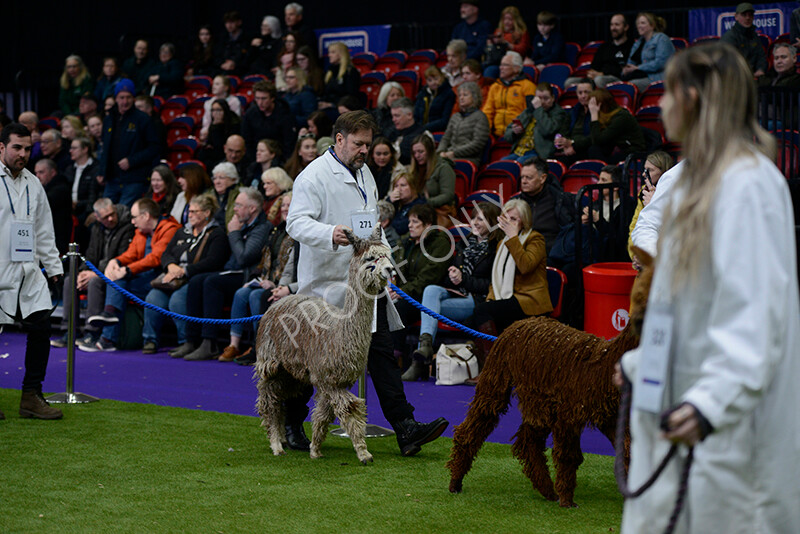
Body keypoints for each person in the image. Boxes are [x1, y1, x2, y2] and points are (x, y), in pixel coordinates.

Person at [618, 41, 800, 534]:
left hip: (724, 435)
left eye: (669, 92)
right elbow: (681, 304)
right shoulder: (692, 178)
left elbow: (756, 314)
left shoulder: (749, 184)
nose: (659, 104)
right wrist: (642, 367)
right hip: (682, 415)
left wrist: (711, 401)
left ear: (694, 98)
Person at [286, 110, 449, 456]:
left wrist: (385, 262)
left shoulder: (366, 175)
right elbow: (295, 224)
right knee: (313, 362)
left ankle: (405, 428)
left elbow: (372, 227)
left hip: (364, 284)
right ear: (339, 139)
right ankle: (290, 422)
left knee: (381, 353)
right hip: (325, 287)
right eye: (359, 144)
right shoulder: (312, 177)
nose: (365, 150)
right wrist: (330, 233)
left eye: (368, 144)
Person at [0, 123, 64, 419]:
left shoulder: (33, 183)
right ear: (1, 147)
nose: (23, 154)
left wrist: (54, 268)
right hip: (0, 269)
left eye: (27, 148)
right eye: (17, 147)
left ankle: (31, 395)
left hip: (29, 270)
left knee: (41, 328)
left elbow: (44, 230)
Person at [402, 202, 502, 381]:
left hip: (477, 299)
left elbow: (491, 285)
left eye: (481, 219)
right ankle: (425, 347)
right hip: (457, 292)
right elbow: (448, 279)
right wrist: (454, 276)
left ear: (492, 222)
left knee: (428, 308)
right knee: (431, 290)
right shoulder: (465, 244)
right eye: (473, 218)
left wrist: (464, 280)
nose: (475, 222)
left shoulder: (496, 248)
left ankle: (419, 363)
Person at [176, 187, 271, 361]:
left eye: (239, 205)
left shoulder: (262, 228)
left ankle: (210, 342)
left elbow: (244, 257)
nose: (234, 209)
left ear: (252, 209)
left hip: (248, 276)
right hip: (233, 271)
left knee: (212, 282)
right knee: (197, 280)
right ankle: (192, 340)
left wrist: (233, 232)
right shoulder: (244, 225)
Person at [83, 198, 180, 352]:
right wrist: (116, 261)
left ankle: (108, 334)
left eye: (134, 217)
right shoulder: (141, 232)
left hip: (160, 279)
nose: (132, 221)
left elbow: (156, 258)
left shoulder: (170, 229)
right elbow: (131, 253)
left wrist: (128, 270)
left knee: (119, 279)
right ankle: (108, 321)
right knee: (116, 279)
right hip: (142, 278)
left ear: (146, 216)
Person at [142, 193, 230, 354]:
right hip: (172, 276)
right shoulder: (182, 232)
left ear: (207, 213)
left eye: (195, 212)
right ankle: (150, 340)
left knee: (177, 300)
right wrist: (171, 266)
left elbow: (214, 261)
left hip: (193, 278)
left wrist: (184, 271)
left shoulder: (217, 234)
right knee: (153, 298)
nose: (190, 215)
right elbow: (166, 254)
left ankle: (187, 341)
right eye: (189, 211)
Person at [219, 191, 294, 363]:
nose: (284, 208)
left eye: (289, 205)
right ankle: (234, 344)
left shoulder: (296, 233)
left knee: (255, 296)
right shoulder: (277, 230)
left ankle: (258, 345)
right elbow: (263, 259)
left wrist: (275, 283)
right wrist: (257, 278)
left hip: (285, 283)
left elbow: (292, 268)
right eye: (282, 205)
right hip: (266, 278)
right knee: (241, 293)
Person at [51, 198, 134, 349]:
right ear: (97, 218)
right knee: (71, 281)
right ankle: (70, 332)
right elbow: (90, 255)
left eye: (112, 214)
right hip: (97, 271)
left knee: (95, 282)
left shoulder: (127, 227)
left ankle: (92, 332)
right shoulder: (97, 228)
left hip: (115, 274)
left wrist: (95, 274)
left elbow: (122, 257)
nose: (110, 219)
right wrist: (83, 272)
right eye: (105, 217)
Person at [471, 198, 551, 337]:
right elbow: (494, 278)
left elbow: (526, 266)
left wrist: (513, 237)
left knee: (482, 311)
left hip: (528, 299)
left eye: (513, 219)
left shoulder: (535, 238)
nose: (508, 223)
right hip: (508, 299)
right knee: (470, 321)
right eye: (505, 218)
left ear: (524, 221)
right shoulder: (502, 242)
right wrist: (491, 299)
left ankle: (492, 356)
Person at [389, 203, 451, 358]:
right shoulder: (407, 243)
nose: (410, 226)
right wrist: (392, 287)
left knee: (400, 308)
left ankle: (394, 355)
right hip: (407, 291)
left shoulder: (440, 242)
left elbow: (430, 275)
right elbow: (397, 270)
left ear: (428, 224)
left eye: (415, 222)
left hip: (426, 294)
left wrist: (404, 291)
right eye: (409, 221)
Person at [97, 79, 160, 206]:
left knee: (123, 214)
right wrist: (102, 172)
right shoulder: (109, 119)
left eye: (128, 97)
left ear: (134, 98)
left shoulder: (143, 119)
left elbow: (154, 148)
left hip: (134, 178)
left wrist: (132, 160)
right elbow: (105, 147)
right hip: (112, 178)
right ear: (116, 98)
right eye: (121, 97)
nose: (125, 101)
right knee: (104, 212)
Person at [517, 157, 575, 254]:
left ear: (542, 178)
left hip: (551, 251)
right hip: (522, 249)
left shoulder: (559, 199)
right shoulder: (516, 202)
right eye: (522, 177)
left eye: (529, 177)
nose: (524, 181)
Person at [581, 165, 636, 262]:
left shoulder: (626, 207)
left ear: (615, 187)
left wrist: (598, 220)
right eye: (599, 179)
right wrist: (583, 221)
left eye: (604, 180)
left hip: (610, 256)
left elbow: (618, 239)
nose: (598, 183)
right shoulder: (596, 203)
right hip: (589, 250)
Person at [503, 81, 568, 161]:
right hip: (518, 152)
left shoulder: (558, 113)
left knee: (519, 163)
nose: (542, 102)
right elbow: (507, 134)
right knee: (501, 164)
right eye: (539, 98)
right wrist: (514, 132)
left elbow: (547, 130)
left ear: (553, 98)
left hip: (538, 153)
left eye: (546, 98)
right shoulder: (529, 110)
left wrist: (538, 109)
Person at [627, 150, 674, 258]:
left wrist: (655, 205)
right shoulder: (644, 191)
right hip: (644, 257)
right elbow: (635, 225)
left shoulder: (675, 191)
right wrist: (636, 254)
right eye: (644, 169)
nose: (644, 174)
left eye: (650, 170)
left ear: (664, 173)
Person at [566, 14, 634, 89]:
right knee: (569, 82)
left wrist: (602, 73)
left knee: (599, 80)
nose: (613, 28)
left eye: (617, 25)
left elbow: (625, 69)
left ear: (626, 27)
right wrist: (592, 73)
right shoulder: (604, 46)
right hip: (597, 77)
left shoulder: (632, 46)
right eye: (611, 25)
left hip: (617, 78)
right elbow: (594, 66)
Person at [582, 88, 646, 162]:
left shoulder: (622, 117)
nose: (590, 107)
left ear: (600, 105)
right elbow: (593, 138)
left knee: (600, 152)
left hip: (631, 151)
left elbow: (598, 140)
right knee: (592, 150)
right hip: (616, 148)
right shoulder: (604, 117)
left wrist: (594, 114)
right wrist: (573, 144)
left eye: (592, 104)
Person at [483, 51, 536, 137]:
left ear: (516, 68)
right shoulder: (495, 87)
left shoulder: (528, 87)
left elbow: (530, 114)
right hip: (496, 135)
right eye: (501, 65)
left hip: (518, 135)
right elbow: (487, 112)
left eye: (505, 65)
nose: (501, 68)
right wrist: (485, 132)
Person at [241, 80, 296, 162]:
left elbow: (289, 143)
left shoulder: (285, 114)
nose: (260, 102)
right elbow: (247, 140)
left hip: (279, 156)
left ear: (272, 98)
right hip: (256, 157)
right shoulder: (251, 113)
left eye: (264, 99)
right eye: (257, 98)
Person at [408, 134, 457, 226]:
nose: (417, 156)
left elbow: (448, 195)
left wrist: (427, 202)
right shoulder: (415, 170)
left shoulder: (444, 168)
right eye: (414, 153)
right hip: (418, 211)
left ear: (430, 151)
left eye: (421, 152)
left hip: (440, 212)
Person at [621, 13, 676, 93]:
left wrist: (638, 68)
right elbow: (631, 61)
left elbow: (660, 63)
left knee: (631, 86)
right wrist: (626, 69)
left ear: (652, 25)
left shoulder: (661, 38)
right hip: (639, 76)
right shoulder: (638, 42)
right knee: (616, 85)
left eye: (642, 23)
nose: (639, 26)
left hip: (656, 78)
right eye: (638, 23)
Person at [33, 158, 72, 256]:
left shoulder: (61, 188)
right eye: (36, 173)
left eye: (41, 172)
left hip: (57, 238)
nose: (37, 176)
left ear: (53, 172)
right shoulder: (43, 188)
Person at [64, 136, 101, 238]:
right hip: (69, 209)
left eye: (74, 148)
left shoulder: (97, 168)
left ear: (85, 149)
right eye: (71, 148)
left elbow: (95, 194)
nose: (70, 151)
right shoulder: (69, 169)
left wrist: (80, 204)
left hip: (86, 209)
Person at [721, 3, 767, 78]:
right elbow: (727, 62)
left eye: (750, 15)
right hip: (735, 77)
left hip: (754, 76)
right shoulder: (729, 37)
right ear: (736, 17)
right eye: (744, 15)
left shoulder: (754, 36)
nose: (748, 18)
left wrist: (761, 69)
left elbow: (761, 56)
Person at [554, 78, 594, 161]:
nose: (583, 96)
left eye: (587, 92)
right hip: (570, 148)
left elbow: (594, 137)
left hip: (586, 148)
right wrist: (564, 144)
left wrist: (572, 143)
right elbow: (563, 130)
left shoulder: (599, 112)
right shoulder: (574, 111)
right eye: (580, 93)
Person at [199, 104, 243, 171]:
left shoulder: (234, 124)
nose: (216, 113)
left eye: (219, 110)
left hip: (226, 156)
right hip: (217, 158)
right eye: (213, 110)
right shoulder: (213, 125)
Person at [199, 76, 242, 142]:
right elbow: (206, 122)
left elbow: (235, 121)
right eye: (213, 84)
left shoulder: (234, 102)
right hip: (212, 132)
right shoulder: (208, 103)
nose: (213, 86)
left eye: (217, 84)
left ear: (226, 87)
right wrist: (205, 131)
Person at [319, 42, 361, 110]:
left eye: (333, 52)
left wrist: (332, 104)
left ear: (341, 54)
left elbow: (351, 96)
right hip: (328, 107)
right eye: (329, 52)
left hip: (343, 108)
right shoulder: (330, 72)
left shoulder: (350, 72)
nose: (329, 55)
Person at [414, 66, 455, 132]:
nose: (433, 82)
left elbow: (444, 120)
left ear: (442, 77)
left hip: (438, 130)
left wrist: (424, 128)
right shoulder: (422, 94)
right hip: (421, 130)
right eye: (430, 80)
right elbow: (415, 115)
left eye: (436, 79)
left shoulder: (448, 94)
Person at [171, 162, 212, 227]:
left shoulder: (206, 199)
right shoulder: (181, 196)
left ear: (193, 179)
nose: (179, 180)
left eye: (183, 177)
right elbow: (172, 219)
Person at [389, 97, 426, 166]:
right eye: (392, 116)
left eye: (397, 116)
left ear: (409, 115)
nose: (393, 119)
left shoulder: (423, 135)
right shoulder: (390, 133)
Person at [388, 171, 427, 236]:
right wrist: (389, 201)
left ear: (413, 187)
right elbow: (381, 218)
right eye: (396, 186)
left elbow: (401, 228)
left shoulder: (420, 205)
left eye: (403, 185)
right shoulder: (396, 203)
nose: (399, 189)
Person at [217, 11, 249, 77]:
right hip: (224, 69)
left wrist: (234, 63)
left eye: (231, 22)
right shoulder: (223, 38)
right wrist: (222, 64)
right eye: (226, 23)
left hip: (241, 71)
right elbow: (217, 54)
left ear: (239, 22)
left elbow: (248, 57)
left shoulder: (247, 38)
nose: (229, 25)